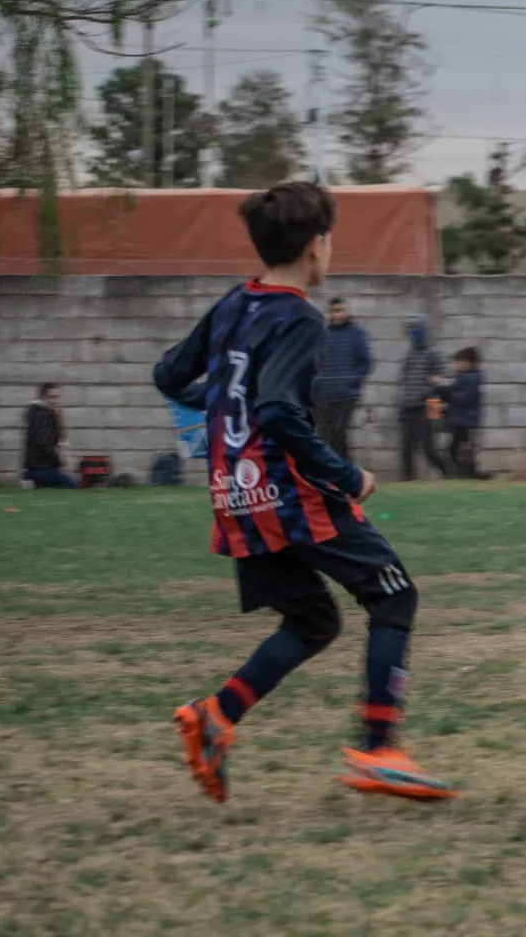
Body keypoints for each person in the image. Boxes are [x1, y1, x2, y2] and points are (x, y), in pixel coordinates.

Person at [152, 181, 457, 804]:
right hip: (290, 495)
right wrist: (349, 477)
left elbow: (169, 374)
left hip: (236, 499)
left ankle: (215, 717)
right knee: (394, 597)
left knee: (313, 620)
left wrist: (221, 408)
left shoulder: (235, 304)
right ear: (318, 247)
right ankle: (379, 750)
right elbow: (280, 414)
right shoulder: (299, 318)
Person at [312, 296, 372, 463]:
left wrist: (352, 381)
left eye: (340, 311)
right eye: (333, 311)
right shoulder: (323, 335)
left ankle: (345, 469)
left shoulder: (357, 333)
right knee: (324, 433)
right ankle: (331, 472)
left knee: (339, 430)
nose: (337, 315)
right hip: (323, 394)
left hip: (346, 394)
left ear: (346, 311)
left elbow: (365, 362)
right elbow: (314, 362)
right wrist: (316, 382)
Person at [398, 315, 454, 480]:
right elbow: (405, 380)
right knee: (406, 446)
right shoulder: (409, 354)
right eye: (410, 327)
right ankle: (408, 480)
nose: (413, 331)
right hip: (408, 405)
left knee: (429, 448)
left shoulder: (433, 354)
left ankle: (450, 473)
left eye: (416, 327)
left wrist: (436, 382)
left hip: (430, 404)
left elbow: (446, 380)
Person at [438, 346, 491, 480]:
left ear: (468, 363)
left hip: (466, 420)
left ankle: (468, 473)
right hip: (459, 419)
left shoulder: (472, 378)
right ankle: (469, 472)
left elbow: (462, 397)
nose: (454, 366)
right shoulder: (461, 377)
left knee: (460, 448)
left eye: (457, 362)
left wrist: (447, 393)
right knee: (458, 448)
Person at [21, 382, 77, 489]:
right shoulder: (42, 416)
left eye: (57, 397)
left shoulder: (44, 414)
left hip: (39, 468)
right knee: (73, 486)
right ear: (43, 398)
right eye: (52, 397)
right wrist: (59, 462)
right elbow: (44, 443)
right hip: (40, 469)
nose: (55, 401)